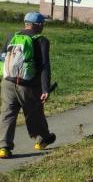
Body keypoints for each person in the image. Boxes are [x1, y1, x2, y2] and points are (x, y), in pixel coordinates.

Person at [0, 12, 56, 158]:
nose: (43, 26)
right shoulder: (41, 40)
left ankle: (3, 148)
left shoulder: (11, 37)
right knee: (34, 112)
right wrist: (45, 89)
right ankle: (41, 140)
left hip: (7, 82)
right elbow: (44, 66)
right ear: (38, 25)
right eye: (42, 23)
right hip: (28, 85)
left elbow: (2, 58)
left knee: (7, 114)